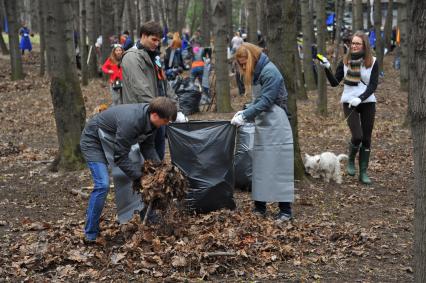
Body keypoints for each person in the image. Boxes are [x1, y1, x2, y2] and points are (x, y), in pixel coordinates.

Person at [80, 97, 178, 242]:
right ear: (156, 115)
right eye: (166, 121)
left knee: (147, 174)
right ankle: (90, 233)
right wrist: (140, 178)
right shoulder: (131, 121)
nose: (166, 124)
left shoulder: (152, 122)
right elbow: (120, 156)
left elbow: (148, 147)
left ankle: (149, 217)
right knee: (103, 185)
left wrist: (160, 170)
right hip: (94, 140)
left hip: (114, 139)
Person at [231, 43, 294, 222]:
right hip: (264, 124)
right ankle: (260, 207)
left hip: (277, 123)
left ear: (252, 58)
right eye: (241, 65)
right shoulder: (258, 73)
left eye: (244, 64)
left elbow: (266, 100)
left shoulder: (270, 72)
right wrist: (245, 110)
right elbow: (258, 100)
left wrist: (246, 115)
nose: (243, 68)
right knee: (259, 165)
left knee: (280, 165)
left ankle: (285, 211)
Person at [317, 31, 378, 185]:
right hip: (349, 102)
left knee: (367, 139)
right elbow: (334, 83)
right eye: (353, 43)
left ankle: (363, 172)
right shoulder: (345, 61)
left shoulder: (372, 62)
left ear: (364, 45)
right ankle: (350, 160)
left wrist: (361, 98)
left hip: (367, 102)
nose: (354, 46)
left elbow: (373, 85)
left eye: (358, 43)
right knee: (357, 136)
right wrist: (326, 68)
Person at [121, 21, 186, 160]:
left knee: (159, 156)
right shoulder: (132, 57)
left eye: (159, 40)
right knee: (148, 162)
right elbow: (141, 90)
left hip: (158, 115)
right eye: (154, 39)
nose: (157, 43)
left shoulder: (154, 56)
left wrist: (176, 109)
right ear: (143, 36)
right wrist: (165, 112)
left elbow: (164, 84)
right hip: (143, 117)